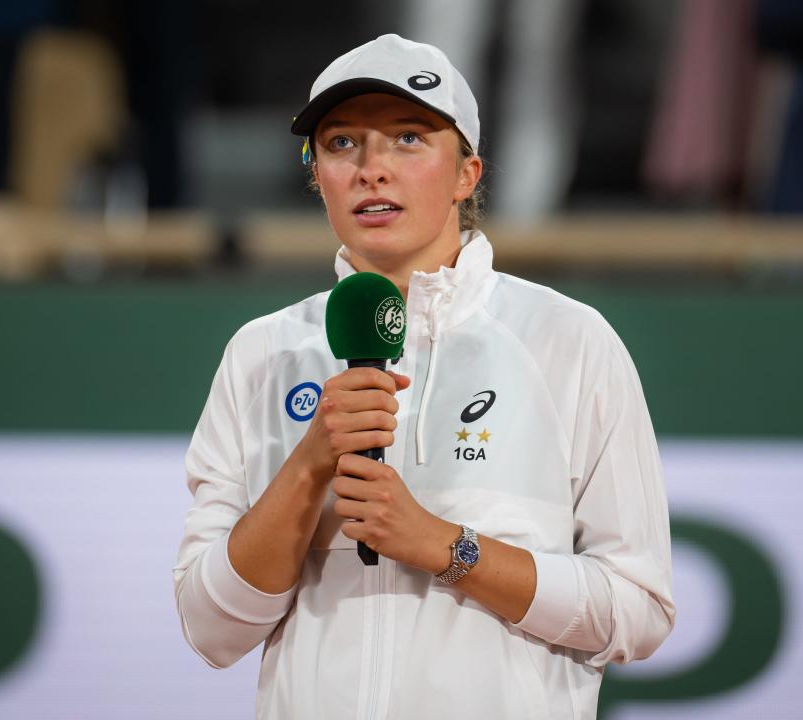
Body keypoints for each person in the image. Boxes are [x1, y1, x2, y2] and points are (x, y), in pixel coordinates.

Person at [174, 33, 674, 719]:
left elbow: (638, 612)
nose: (371, 168)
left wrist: (446, 546)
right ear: (316, 174)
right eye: (342, 143)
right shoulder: (262, 353)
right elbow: (212, 630)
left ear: (467, 174)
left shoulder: (569, 340)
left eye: (408, 139)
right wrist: (310, 462)